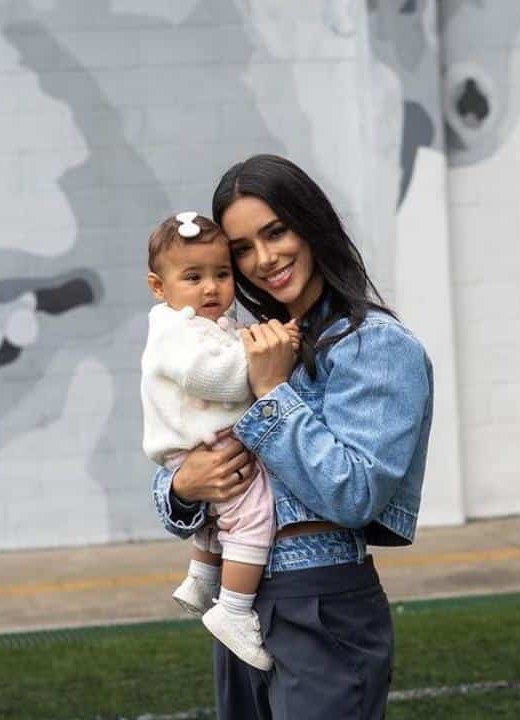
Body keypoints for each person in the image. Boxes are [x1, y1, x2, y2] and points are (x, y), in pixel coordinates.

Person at [150, 154, 434, 719]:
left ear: (311, 223)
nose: (264, 259)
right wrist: (183, 485)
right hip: (244, 600)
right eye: (242, 249)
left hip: (322, 597)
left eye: (275, 232)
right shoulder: (240, 344)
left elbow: (355, 494)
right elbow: (182, 479)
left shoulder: (377, 346)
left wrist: (274, 390)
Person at [140, 211, 303, 670]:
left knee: (220, 519)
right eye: (193, 277)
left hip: (203, 445)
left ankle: (200, 578)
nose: (211, 288)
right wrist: (270, 359)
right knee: (253, 514)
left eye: (221, 274)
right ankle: (232, 610)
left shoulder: (198, 323)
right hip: (203, 447)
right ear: (159, 287)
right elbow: (222, 379)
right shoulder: (176, 331)